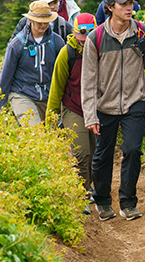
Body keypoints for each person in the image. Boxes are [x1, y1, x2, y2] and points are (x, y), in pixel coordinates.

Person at [81, 0, 145, 222]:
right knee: (102, 156)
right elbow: (88, 81)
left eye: (131, 4)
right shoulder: (95, 38)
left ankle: (128, 203)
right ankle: (104, 201)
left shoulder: (143, 33)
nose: (129, 8)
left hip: (134, 102)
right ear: (110, 7)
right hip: (103, 105)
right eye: (123, 4)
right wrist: (90, 115)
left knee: (132, 150)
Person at [47, 13, 97, 213]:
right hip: (73, 108)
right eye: (81, 34)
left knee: (95, 154)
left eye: (89, 34)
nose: (84, 39)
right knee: (81, 153)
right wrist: (51, 119)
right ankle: (82, 195)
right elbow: (56, 88)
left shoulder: (101, 50)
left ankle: (89, 186)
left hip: (96, 109)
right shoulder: (66, 54)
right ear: (75, 32)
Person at [0, 1, 65, 126]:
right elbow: (5, 76)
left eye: (47, 21)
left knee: (54, 135)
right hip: (22, 93)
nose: (43, 25)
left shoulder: (57, 41)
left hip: (49, 94)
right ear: (31, 20)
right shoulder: (17, 45)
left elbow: (65, 72)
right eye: (40, 21)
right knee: (34, 131)